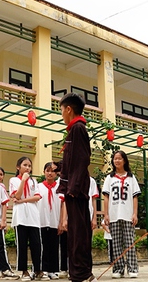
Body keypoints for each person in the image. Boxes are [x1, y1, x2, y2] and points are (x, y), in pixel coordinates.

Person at [53, 92, 96, 282]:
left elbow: (82, 160)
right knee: (77, 232)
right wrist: (60, 166)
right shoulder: (75, 130)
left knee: (79, 233)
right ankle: (80, 273)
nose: (62, 114)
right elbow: (73, 160)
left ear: (69, 109)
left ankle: (82, 274)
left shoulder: (78, 128)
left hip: (76, 191)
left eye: (62, 110)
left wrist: (72, 188)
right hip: (75, 188)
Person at [102, 150, 140, 279]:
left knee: (129, 243)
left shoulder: (131, 177)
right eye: (114, 158)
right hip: (113, 215)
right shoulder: (109, 178)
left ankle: (132, 268)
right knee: (116, 244)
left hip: (128, 214)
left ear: (124, 160)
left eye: (119, 158)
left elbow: (135, 197)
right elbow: (106, 197)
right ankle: (118, 268)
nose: (116, 161)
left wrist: (135, 213)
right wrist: (106, 214)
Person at [9, 157, 45, 281]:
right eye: (25, 165)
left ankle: (38, 270)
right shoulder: (13, 180)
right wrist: (23, 181)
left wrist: (22, 200)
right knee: (22, 244)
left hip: (33, 216)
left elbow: (37, 197)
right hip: (20, 216)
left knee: (36, 244)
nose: (28, 168)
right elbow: (16, 195)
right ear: (18, 167)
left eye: (29, 166)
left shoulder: (34, 181)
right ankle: (24, 271)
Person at [37, 162, 64, 280]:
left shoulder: (60, 188)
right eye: (47, 170)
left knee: (53, 246)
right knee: (42, 246)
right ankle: (41, 269)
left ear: (56, 173)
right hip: (40, 221)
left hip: (54, 220)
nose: (50, 173)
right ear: (44, 172)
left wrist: (61, 222)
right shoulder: (38, 186)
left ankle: (53, 270)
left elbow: (63, 205)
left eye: (52, 171)